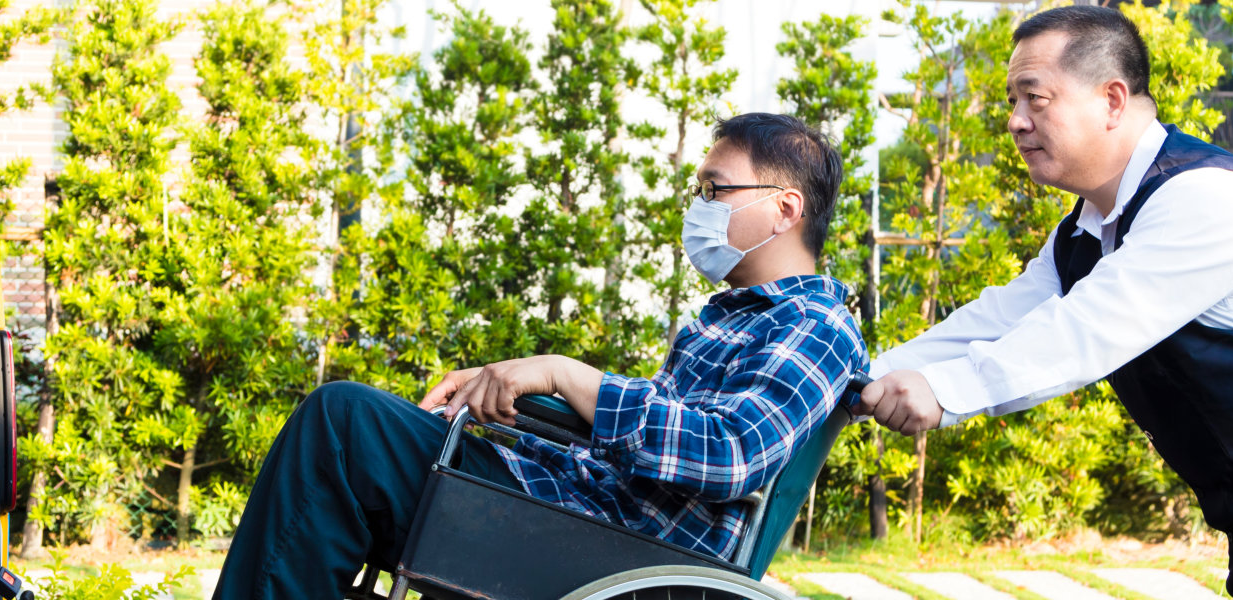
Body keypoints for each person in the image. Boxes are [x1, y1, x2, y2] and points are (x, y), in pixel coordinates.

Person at [852, 6, 1233, 598]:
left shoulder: (1206, 199)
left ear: (1113, 100)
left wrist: (948, 391)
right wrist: (853, 382)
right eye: (1013, 100)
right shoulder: (1087, 231)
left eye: (1035, 98)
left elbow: (1087, 330)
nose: (1015, 120)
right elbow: (1001, 317)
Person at [213, 113, 867, 600]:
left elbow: (728, 455)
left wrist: (562, 373)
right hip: (585, 515)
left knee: (345, 426)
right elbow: (646, 446)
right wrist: (514, 422)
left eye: (714, 190)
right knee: (359, 437)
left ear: (785, 209)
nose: (697, 208)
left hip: (620, 555)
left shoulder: (815, 327)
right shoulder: (732, 319)